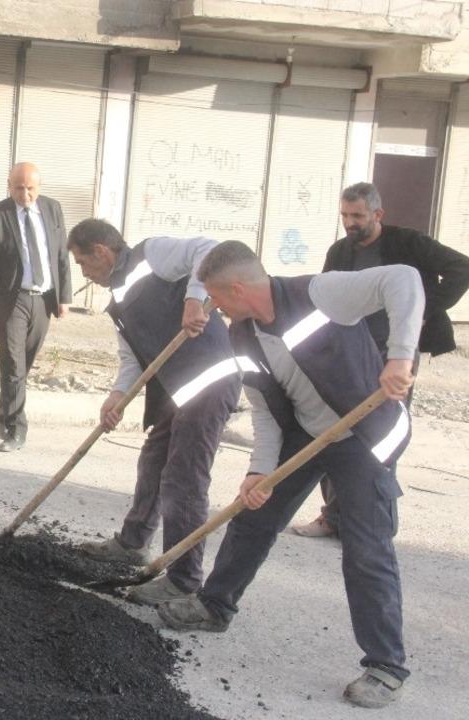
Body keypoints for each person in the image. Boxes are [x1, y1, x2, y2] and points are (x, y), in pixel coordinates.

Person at [157, 240, 423, 709]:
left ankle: (385, 665)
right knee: (253, 517)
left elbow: (403, 278)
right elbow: (264, 411)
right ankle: (214, 605)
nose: (214, 308)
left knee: (365, 546)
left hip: (361, 433)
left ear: (238, 288)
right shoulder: (243, 334)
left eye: (217, 298)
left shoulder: (322, 293)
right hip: (303, 432)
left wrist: (400, 355)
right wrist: (260, 471)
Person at [68, 220, 242, 605]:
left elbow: (209, 248)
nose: (82, 272)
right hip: (173, 390)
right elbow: (133, 357)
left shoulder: (152, 254)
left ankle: (183, 580)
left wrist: (194, 299)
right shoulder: (117, 302)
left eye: (83, 262)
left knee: (183, 480)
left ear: (101, 251)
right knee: (153, 462)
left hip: (209, 382)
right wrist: (117, 395)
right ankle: (132, 544)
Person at [291, 181, 469, 539]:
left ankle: (374, 524)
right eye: (344, 215)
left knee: (382, 434)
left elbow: (462, 267)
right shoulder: (340, 251)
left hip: (397, 355)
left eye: (357, 215)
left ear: (378, 214)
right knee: (338, 430)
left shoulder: (408, 243)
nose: (350, 222)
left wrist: (424, 309)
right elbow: (327, 295)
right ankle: (335, 518)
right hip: (352, 351)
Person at [0, 162, 72, 452]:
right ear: (9, 185)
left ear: (39, 187)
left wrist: (64, 296)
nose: (25, 194)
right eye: (19, 188)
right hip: (11, 300)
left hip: (43, 299)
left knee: (24, 363)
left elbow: (61, 255)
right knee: (13, 364)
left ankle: (1, 412)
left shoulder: (53, 209)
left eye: (30, 188)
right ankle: (16, 429)